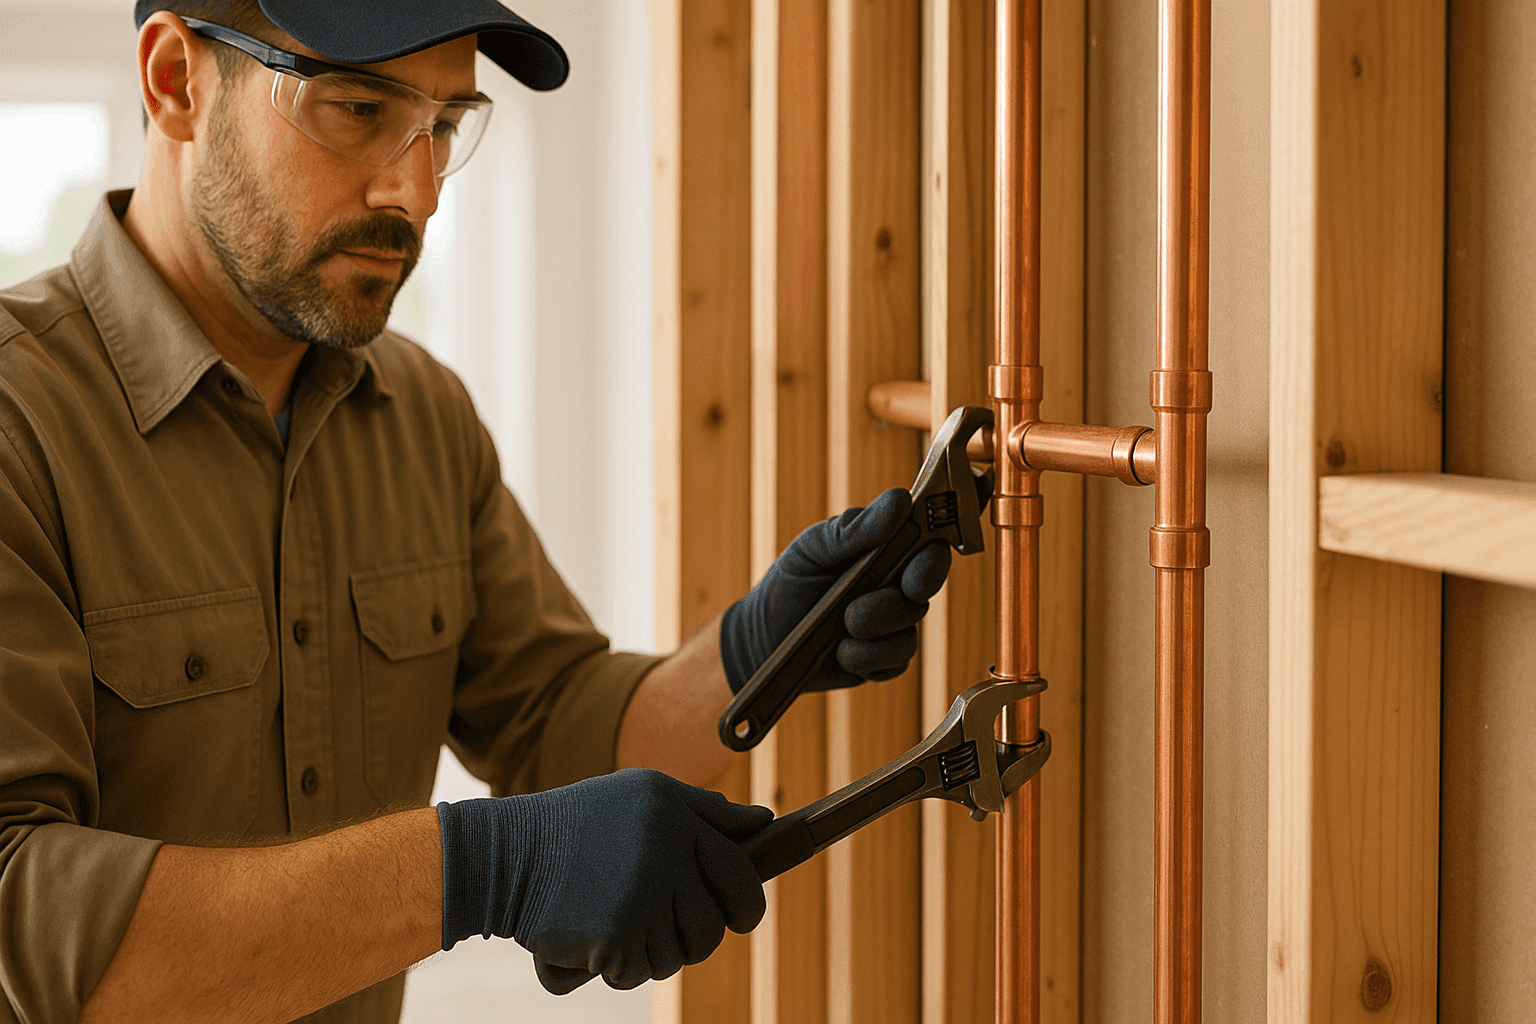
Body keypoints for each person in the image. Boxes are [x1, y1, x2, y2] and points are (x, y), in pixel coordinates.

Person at [0, 3, 961, 1022]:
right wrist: (477, 869)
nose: (413, 192)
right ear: (174, 83)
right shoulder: (22, 424)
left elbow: (562, 732)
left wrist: (756, 647)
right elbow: (24, 920)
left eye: (445, 124)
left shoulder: (419, 415)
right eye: (359, 107)